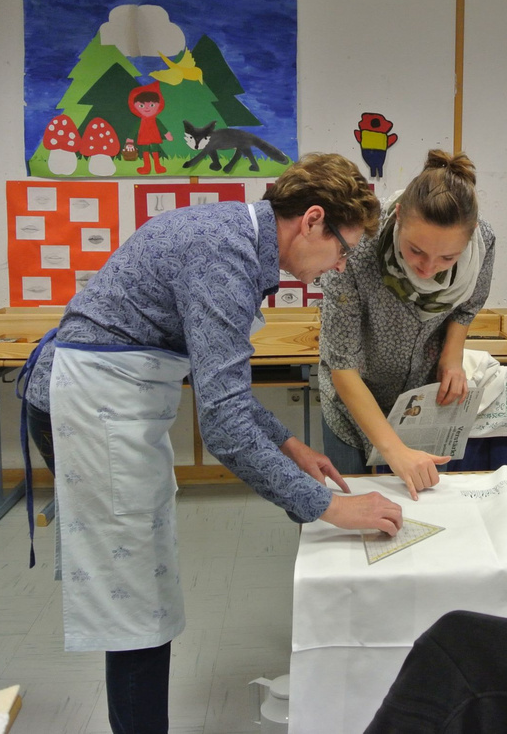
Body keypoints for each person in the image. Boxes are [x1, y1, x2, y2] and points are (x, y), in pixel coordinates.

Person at [20, 152, 403, 734]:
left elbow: (223, 390)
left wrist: (288, 444)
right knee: (136, 603)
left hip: (109, 400)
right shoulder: (225, 255)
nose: (339, 266)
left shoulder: (235, 238)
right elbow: (223, 423)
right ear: (312, 220)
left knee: (142, 586)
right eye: (344, 249)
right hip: (91, 404)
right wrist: (328, 507)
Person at [318, 149, 495, 499]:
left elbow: (468, 305)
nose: (428, 268)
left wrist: (452, 358)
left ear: (471, 234)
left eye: (447, 258)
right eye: (416, 251)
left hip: (421, 402)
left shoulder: (483, 242)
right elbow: (343, 368)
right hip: (353, 401)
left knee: (425, 509)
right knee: (352, 507)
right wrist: (394, 451)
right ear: (398, 216)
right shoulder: (356, 250)